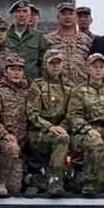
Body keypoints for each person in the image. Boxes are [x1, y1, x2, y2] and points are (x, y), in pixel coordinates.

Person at [65, 53, 104, 196]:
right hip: (83, 134)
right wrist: (88, 129)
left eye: (101, 67)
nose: (98, 70)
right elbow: (73, 116)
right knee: (95, 143)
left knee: (102, 181)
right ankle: (88, 182)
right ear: (87, 69)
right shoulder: (79, 91)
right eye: (94, 67)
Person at [25, 49, 71, 195]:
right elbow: (32, 113)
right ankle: (55, 182)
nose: (55, 66)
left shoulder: (68, 88)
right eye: (52, 63)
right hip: (39, 132)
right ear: (45, 65)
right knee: (61, 138)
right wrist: (49, 127)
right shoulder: (37, 86)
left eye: (58, 63)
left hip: (61, 130)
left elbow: (72, 113)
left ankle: (37, 180)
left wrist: (62, 126)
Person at [0, 57, 30, 197]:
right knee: (11, 148)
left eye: (20, 70)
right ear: (5, 72)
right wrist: (4, 134)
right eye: (12, 69)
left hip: (21, 144)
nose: (16, 73)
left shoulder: (27, 93)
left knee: (14, 189)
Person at [46, 2, 93, 87]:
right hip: (56, 87)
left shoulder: (86, 40)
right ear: (58, 17)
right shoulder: (47, 40)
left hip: (81, 87)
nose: (67, 17)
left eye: (71, 14)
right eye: (64, 14)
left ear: (76, 17)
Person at [7, 0, 50, 83]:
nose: (21, 15)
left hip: (32, 84)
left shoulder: (38, 36)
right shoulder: (4, 36)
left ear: (29, 16)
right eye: (18, 11)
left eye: (25, 11)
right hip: (9, 85)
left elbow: (44, 63)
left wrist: (42, 84)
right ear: (12, 15)